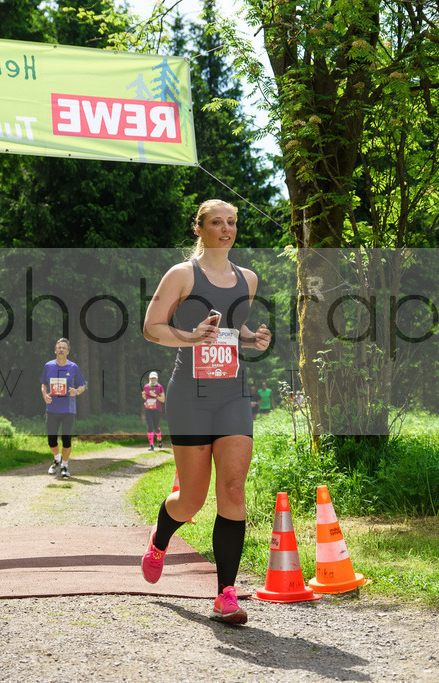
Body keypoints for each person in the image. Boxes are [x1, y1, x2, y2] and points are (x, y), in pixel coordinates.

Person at [141, 199, 271, 625]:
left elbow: (233, 329)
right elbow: (152, 327)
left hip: (233, 393)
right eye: (216, 222)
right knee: (192, 500)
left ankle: (225, 595)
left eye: (231, 222)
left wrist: (253, 340)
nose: (226, 229)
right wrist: (189, 336)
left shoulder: (247, 278)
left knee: (233, 490)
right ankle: (160, 539)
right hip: (189, 396)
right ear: (199, 229)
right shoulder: (182, 275)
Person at [40, 337, 87, 478]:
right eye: (59, 347)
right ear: (55, 350)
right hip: (52, 409)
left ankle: (65, 466)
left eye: (64, 348)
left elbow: (83, 385)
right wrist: (44, 395)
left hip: (68, 410)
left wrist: (77, 391)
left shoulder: (73, 367)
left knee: (66, 440)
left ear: (67, 352)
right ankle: (56, 459)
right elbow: (44, 384)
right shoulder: (48, 366)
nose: (61, 350)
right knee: (51, 440)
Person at [142, 371, 165, 450]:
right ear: (149, 378)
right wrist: (144, 396)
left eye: (154, 378)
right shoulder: (146, 386)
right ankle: (151, 445)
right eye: (151, 378)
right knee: (150, 426)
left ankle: (159, 439)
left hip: (157, 410)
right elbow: (146, 398)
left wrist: (154, 395)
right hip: (148, 409)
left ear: (157, 378)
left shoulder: (159, 387)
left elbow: (163, 400)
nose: (153, 380)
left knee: (156, 427)